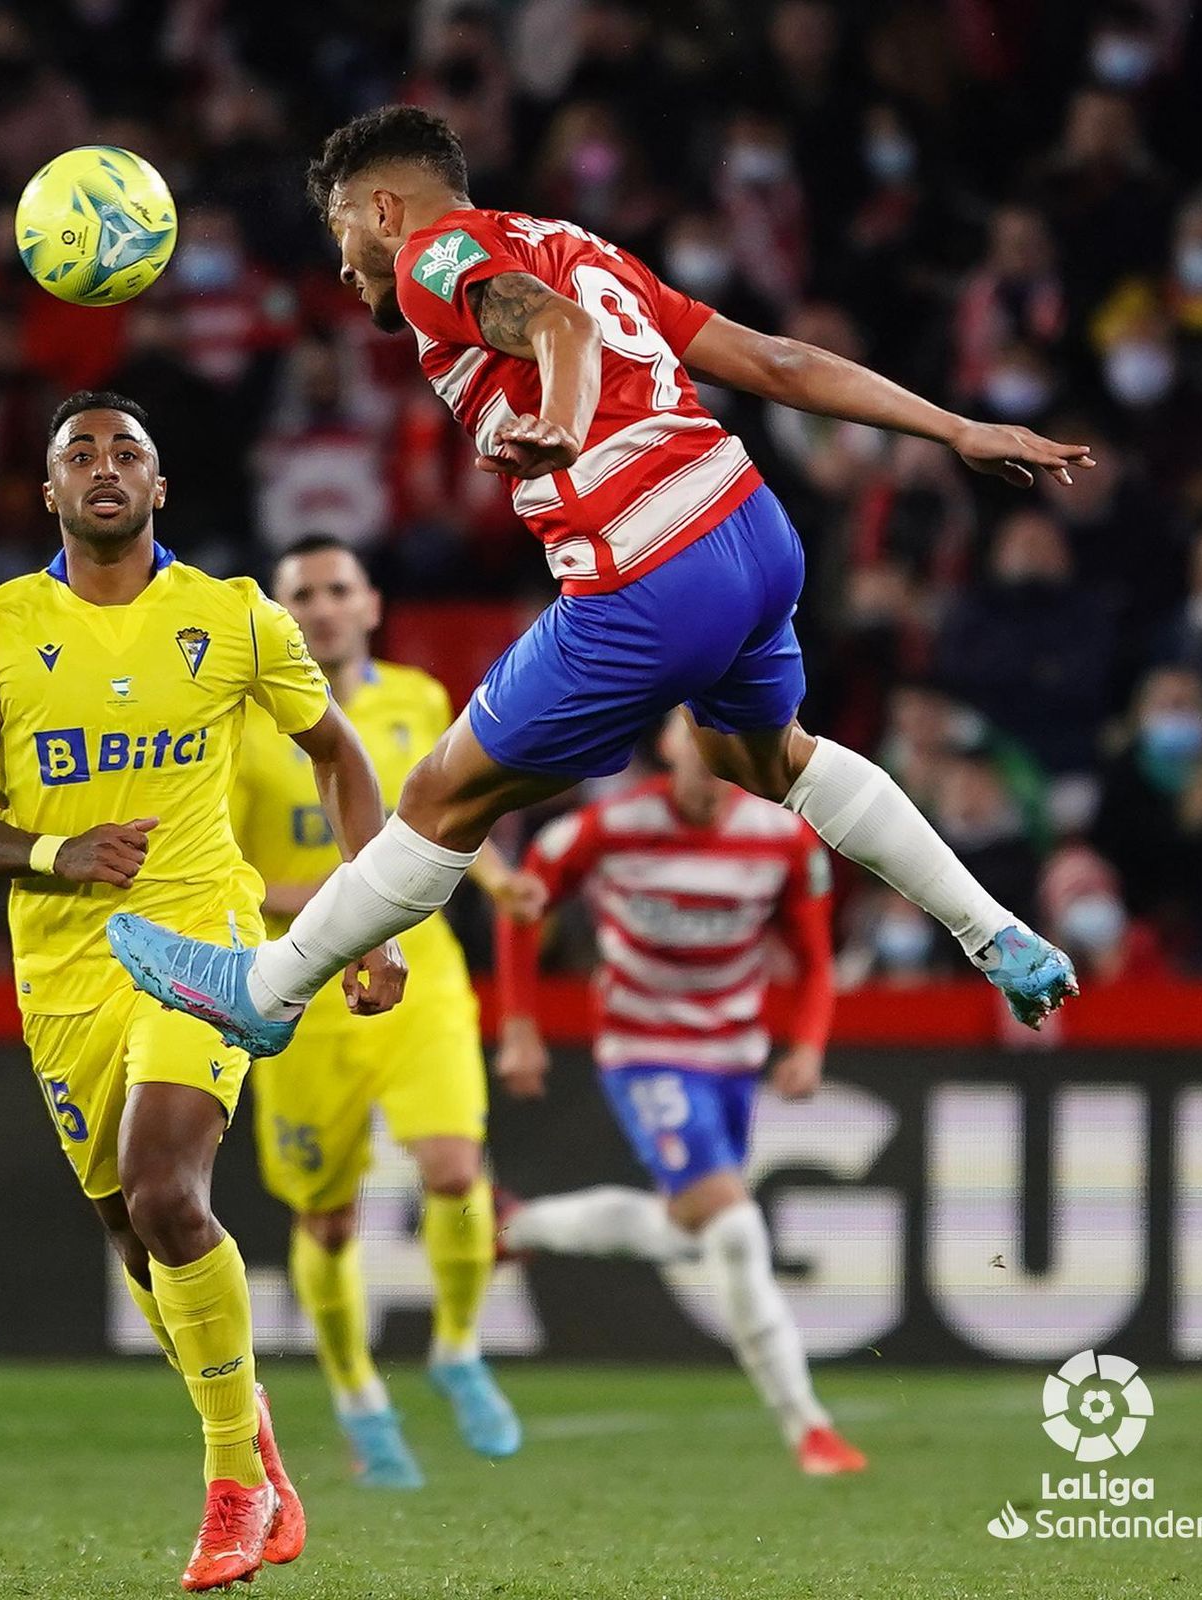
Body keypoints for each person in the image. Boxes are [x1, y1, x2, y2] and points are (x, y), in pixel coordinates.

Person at [108, 104, 1084, 1060]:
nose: (341, 263)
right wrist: (956, 428)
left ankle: (265, 991)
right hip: (750, 528)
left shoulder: (428, 259)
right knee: (766, 759)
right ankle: (994, 932)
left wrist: (565, 425)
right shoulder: (579, 245)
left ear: (384, 210)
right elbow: (774, 359)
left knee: (442, 795)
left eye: (341, 231)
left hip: (649, 568)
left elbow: (560, 330)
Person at [0, 391, 406, 1589]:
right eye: (78, 453)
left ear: (158, 487)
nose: (103, 465)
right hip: (63, 963)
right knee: (135, 1236)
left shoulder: (233, 616)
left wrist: (371, 920)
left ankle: (232, 1485)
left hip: (200, 935)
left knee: (166, 1191)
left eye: (125, 451)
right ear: (47, 491)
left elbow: (339, 754)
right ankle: (255, 1443)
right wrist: (55, 852)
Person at [232, 533, 540, 1486]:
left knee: (455, 1169)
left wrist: (496, 878)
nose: (322, 608)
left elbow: (450, 818)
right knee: (326, 1221)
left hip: (420, 969)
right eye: (303, 594)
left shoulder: (417, 699)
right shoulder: (242, 724)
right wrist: (342, 903)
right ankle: (360, 1396)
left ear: (370, 605)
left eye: (338, 589)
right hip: (302, 990)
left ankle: (457, 1348)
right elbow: (225, 873)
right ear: (279, 617)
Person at [492, 713, 864, 1476]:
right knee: (733, 1226)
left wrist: (807, 1043)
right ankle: (808, 1427)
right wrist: (521, 1026)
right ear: (667, 746)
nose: (710, 761)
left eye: (725, 745)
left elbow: (815, 957)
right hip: (645, 1052)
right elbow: (523, 904)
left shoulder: (784, 838)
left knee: (690, 1227)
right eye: (695, 740)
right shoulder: (610, 827)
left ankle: (518, 1225)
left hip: (733, 1058)